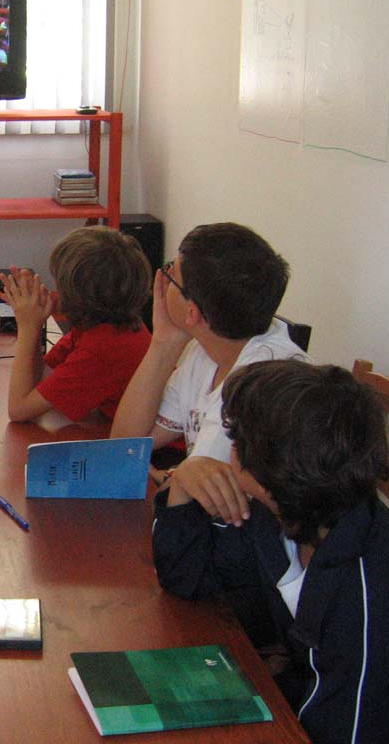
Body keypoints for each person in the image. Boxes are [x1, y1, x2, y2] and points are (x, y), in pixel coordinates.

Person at [153, 359, 389, 744]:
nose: (228, 453)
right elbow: (189, 580)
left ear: (266, 477)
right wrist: (183, 482)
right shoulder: (285, 516)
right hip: (316, 713)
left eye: (235, 442)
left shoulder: (374, 602)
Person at [111, 222, 306, 521]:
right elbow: (125, 446)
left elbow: (192, 503)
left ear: (193, 313)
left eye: (171, 275)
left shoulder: (260, 386)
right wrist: (164, 343)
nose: (162, 280)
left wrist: (169, 478)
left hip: (251, 537)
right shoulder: (209, 349)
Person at [0, 226, 152, 423]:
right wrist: (35, 321)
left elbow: (19, 410)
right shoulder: (104, 326)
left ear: (75, 294)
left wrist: (27, 327)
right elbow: (43, 379)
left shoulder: (101, 350)